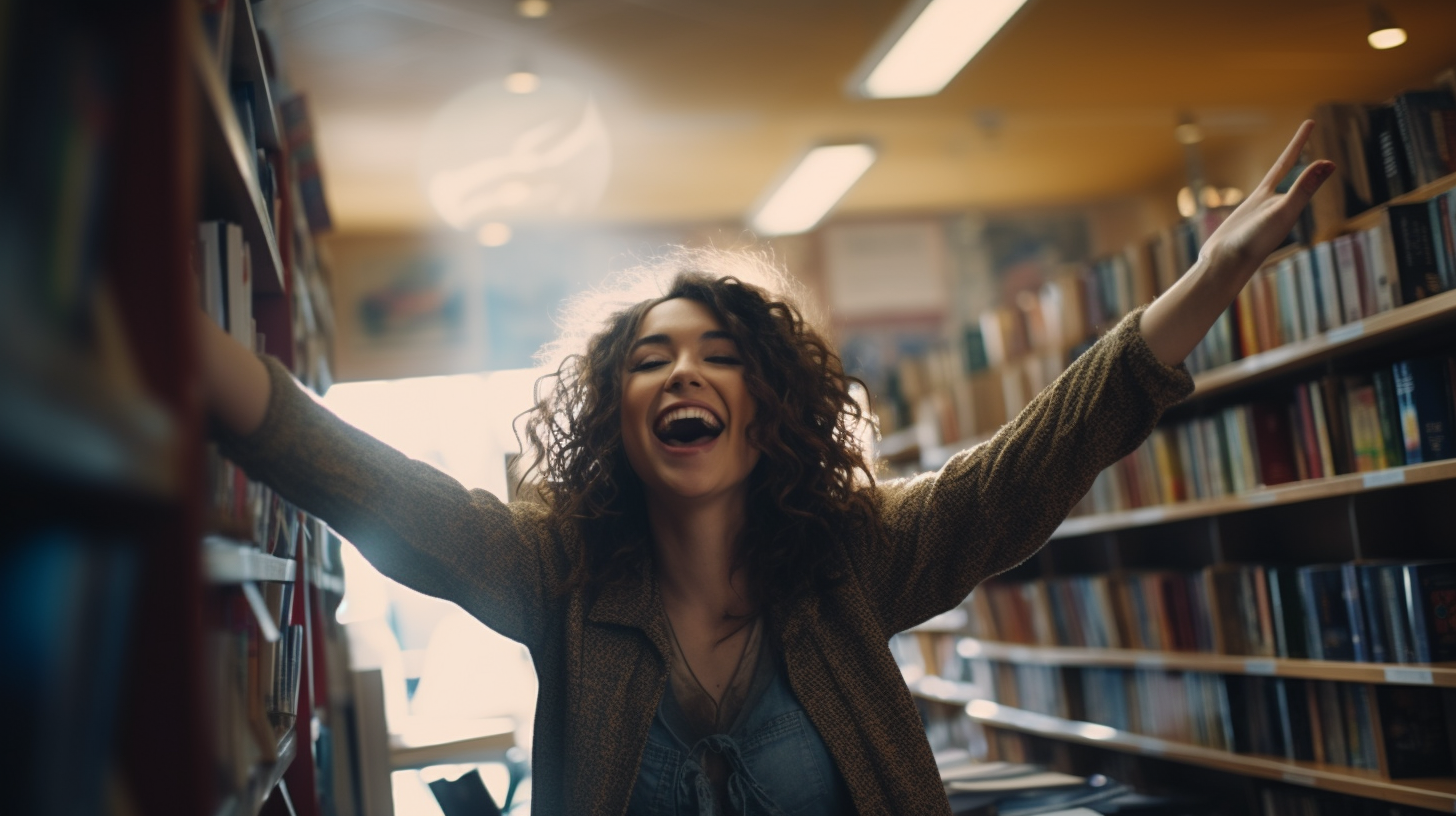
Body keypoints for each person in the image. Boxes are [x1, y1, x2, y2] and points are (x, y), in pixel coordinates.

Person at [203, 123, 1333, 815]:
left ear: (767, 408)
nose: (682, 374)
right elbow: (353, 474)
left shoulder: (859, 559)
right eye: (650, 360)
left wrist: (1213, 279)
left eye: (719, 355)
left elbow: (1042, 451)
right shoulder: (555, 573)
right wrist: (159, 334)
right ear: (616, 414)